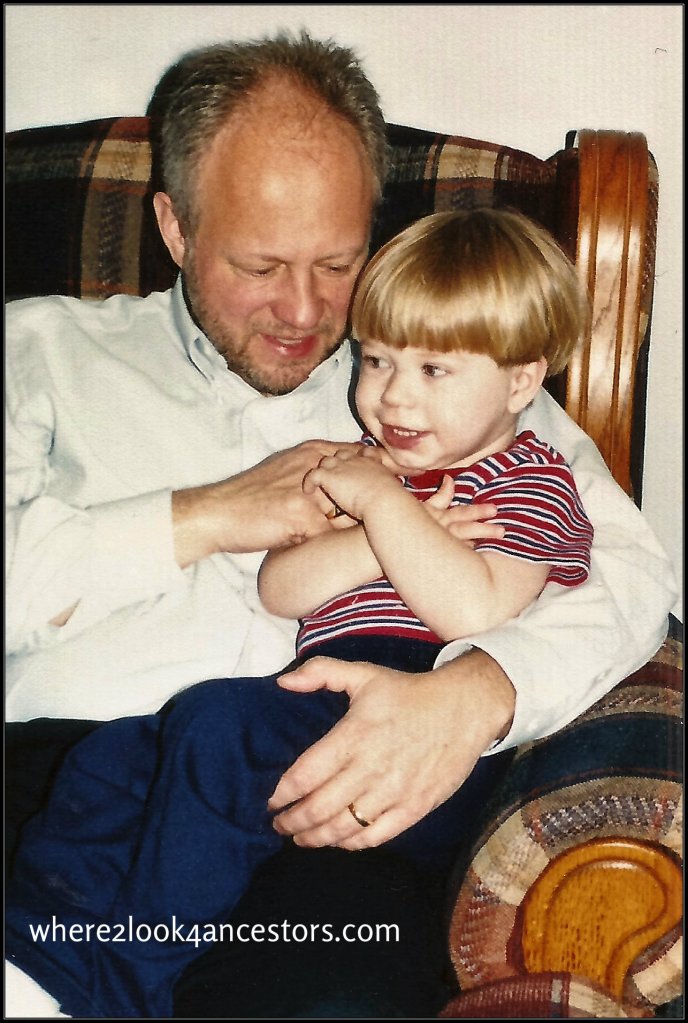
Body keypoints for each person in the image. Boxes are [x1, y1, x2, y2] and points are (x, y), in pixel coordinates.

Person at [5, 29, 675, 1019]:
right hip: (67, 778)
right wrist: (205, 516)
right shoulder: (36, 352)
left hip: (331, 806)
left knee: (338, 994)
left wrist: (482, 692)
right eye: (260, 265)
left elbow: (630, 572)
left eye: (338, 262)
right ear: (176, 228)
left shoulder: (451, 382)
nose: (304, 311)